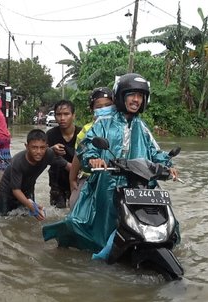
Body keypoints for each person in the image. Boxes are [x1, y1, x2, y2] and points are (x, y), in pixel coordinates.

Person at [42, 73, 179, 254]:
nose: (136, 99)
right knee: (91, 224)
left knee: (170, 222)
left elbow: (154, 152)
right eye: (132, 94)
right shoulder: (104, 122)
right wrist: (93, 158)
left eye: (140, 96)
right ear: (121, 95)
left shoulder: (142, 127)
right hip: (105, 183)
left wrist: (167, 164)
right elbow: (87, 146)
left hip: (137, 185)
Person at [0, 129, 70, 220]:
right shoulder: (18, 162)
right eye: (34, 147)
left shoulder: (48, 154)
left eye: (42, 148)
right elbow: (16, 190)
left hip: (28, 189)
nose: (38, 152)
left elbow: (68, 166)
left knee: (27, 219)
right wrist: (32, 207)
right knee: (2, 220)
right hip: (7, 191)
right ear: (27, 146)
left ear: (47, 147)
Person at [68, 87, 114, 209]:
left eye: (108, 105)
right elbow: (78, 156)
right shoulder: (86, 131)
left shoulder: (121, 127)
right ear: (92, 109)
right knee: (74, 205)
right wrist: (72, 179)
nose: (104, 109)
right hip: (89, 178)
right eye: (99, 107)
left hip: (115, 178)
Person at [46, 100, 81, 208]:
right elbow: (40, 156)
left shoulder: (82, 133)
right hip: (57, 182)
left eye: (66, 114)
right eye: (59, 114)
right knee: (57, 214)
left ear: (73, 116)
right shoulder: (50, 134)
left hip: (77, 181)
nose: (62, 118)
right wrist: (51, 150)